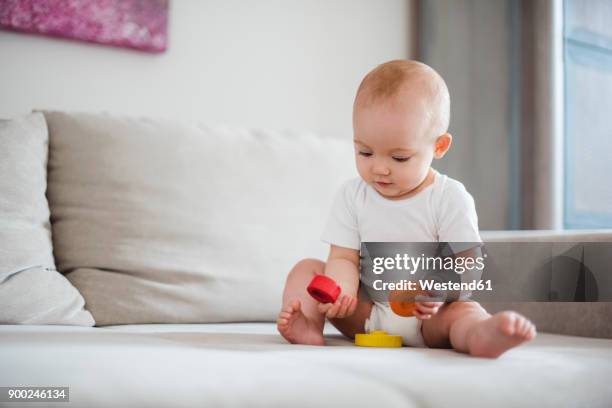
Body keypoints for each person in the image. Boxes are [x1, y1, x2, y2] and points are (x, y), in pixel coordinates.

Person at [277, 60, 536, 357]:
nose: (379, 168)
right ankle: (309, 325)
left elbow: (469, 264)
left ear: (439, 147)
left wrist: (439, 289)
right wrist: (342, 291)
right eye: (365, 152)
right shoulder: (352, 195)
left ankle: (480, 334)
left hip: (428, 315)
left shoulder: (449, 197)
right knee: (307, 269)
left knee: (464, 311)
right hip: (365, 314)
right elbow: (343, 258)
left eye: (399, 158)